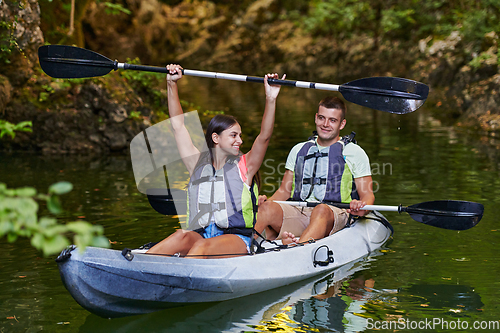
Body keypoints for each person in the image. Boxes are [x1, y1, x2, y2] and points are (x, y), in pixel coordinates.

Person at [147, 64, 285, 258]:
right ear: (216, 138)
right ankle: (136, 267)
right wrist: (171, 84)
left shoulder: (245, 166)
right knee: (181, 236)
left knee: (201, 249)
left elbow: (264, 136)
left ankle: (184, 279)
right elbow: (177, 126)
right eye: (234, 135)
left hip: (236, 239)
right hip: (201, 236)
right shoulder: (197, 164)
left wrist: (271, 98)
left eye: (240, 135)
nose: (240, 140)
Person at [255, 96, 374, 245]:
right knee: (266, 208)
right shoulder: (298, 149)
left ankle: (298, 249)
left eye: (332, 120)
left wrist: (361, 207)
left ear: (342, 124)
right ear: (316, 118)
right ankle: (240, 248)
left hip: (333, 213)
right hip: (299, 211)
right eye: (322, 118)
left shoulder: (354, 152)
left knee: (321, 210)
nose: (325, 124)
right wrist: (264, 203)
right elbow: (284, 191)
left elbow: (368, 195)